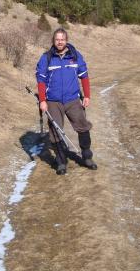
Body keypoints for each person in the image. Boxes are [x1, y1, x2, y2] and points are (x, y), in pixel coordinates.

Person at [36, 28, 97, 175]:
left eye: (62, 39)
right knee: (55, 131)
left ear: (66, 40)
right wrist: (42, 101)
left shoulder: (75, 56)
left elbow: (84, 76)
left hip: (73, 99)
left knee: (83, 127)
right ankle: (61, 162)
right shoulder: (46, 58)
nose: (60, 42)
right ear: (53, 41)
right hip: (53, 101)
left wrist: (87, 96)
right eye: (57, 39)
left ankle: (87, 157)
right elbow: (41, 81)